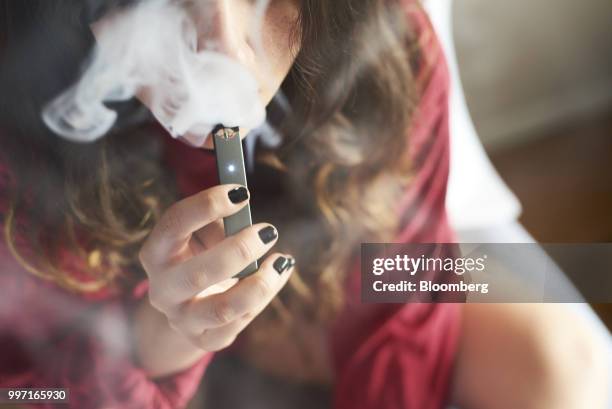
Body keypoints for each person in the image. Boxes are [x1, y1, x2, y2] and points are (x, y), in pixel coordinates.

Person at [0, 1, 607, 409]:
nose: (228, 55)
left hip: (346, 310)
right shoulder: (27, 149)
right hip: (140, 376)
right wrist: (156, 341)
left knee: (561, 357)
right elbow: (30, 392)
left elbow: (406, 282)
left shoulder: (387, 45)